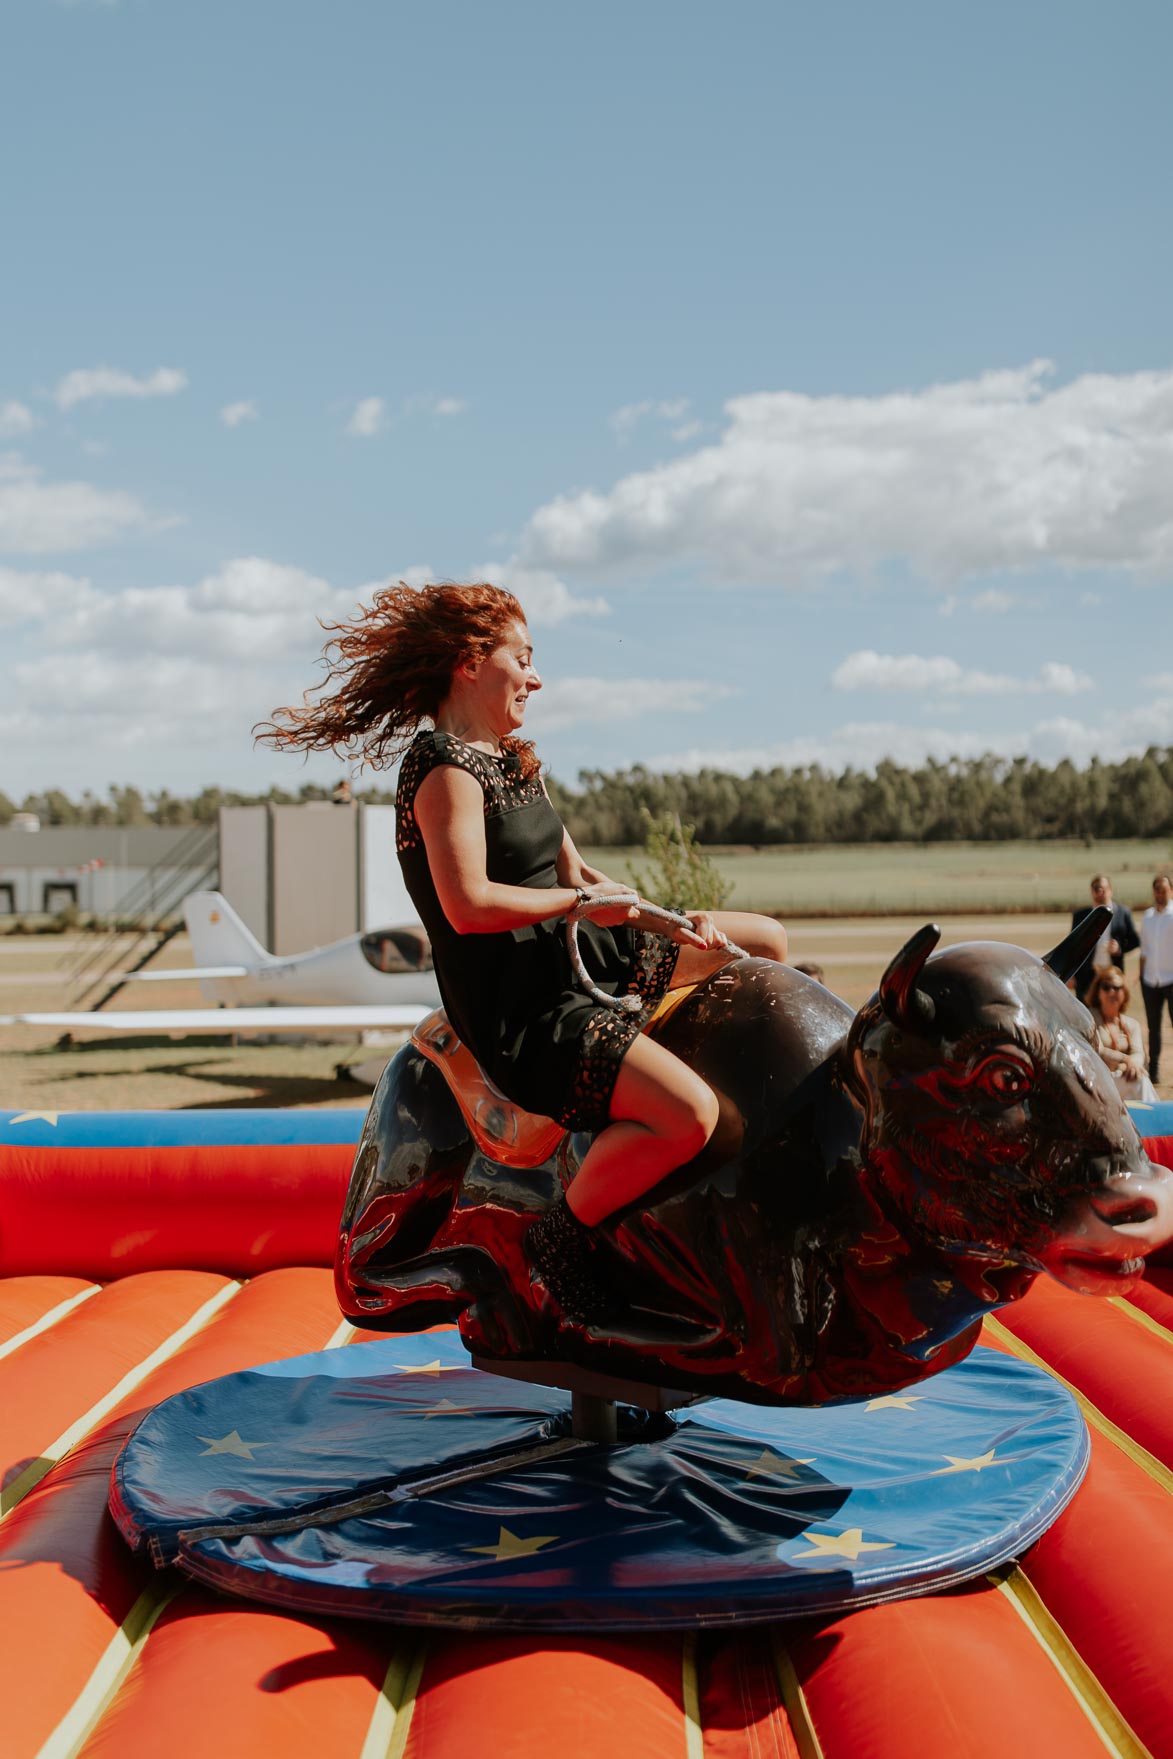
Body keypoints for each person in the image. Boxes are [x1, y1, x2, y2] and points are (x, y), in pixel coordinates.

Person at [258, 582, 788, 1318]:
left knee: (765, 939)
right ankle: (561, 1244)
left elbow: (578, 874)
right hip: (530, 1005)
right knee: (689, 1114)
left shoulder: (510, 759)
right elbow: (469, 905)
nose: (535, 678)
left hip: (580, 952)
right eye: (523, 658)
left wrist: (669, 923)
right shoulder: (442, 770)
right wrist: (581, 906)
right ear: (471, 662)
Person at [1085, 970, 1157, 1104]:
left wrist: (1129, 1066)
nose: (1112, 992)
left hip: (1122, 1079)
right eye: (1106, 987)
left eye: (1117, 988)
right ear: (1098, 992)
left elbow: (1138, 1053)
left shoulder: (1132, 1025)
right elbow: (1097, 1050)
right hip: (1097, 1084)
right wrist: (1125, 1060)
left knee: (1139, 1078)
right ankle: (1157, 1119)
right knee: (1140, 1080)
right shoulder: (1089, 1019)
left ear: (1124, 993)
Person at [1069, 874, 1139, 998]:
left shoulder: (1123, 913)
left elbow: (1135, 941)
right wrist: (1071, 974)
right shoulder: (1080, 916)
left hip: (1113, 974)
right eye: (1096, 889)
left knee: (1111, 1012)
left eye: (1103, 888)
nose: (1099, 892)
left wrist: (1119, 948)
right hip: (1086, 975)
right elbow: (1073, 946)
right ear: (1091, 892)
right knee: (1086, 1014)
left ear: (1110, 890)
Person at [1140, 874, 1173, 1086]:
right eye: (1157, 890)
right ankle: (1153, 1072)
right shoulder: (1148, 917)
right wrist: (1141, 977)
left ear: (1171, 890)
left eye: (1164, 889)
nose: (1160, 893)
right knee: (1154, 1029)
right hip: (1151, 980)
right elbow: (1144, 949)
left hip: (1172, 979)